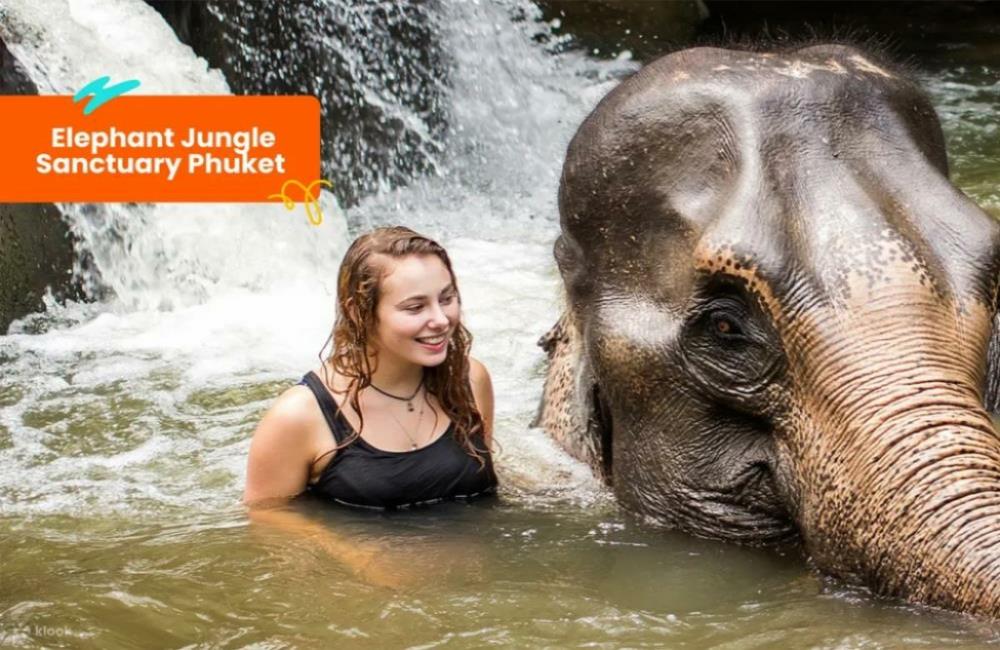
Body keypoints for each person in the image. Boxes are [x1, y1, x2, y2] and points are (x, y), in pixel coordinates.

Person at [243, 226, 497, 511]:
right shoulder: (300, 415)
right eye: (415, 307)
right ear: (358, 312)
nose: (440, 319)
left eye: (446, 299)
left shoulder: (470, 380)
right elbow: (267, 518)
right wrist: (361, 556)